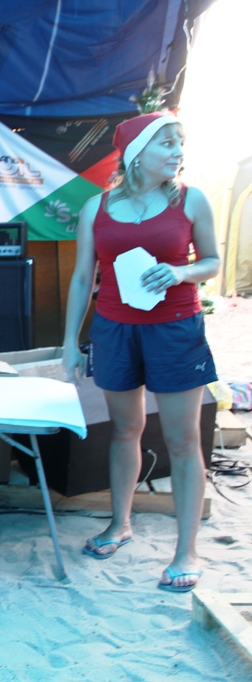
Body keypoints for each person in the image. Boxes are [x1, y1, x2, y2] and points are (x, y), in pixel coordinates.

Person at [61, 111, 220, 593]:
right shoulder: (97, 207)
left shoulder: (192, 200)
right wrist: (70, 342)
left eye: (179, 143)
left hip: (175, 330)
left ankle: (186, 551)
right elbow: (83, 278)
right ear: (136, 153)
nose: (178, 152)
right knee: (124, 430)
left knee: (182, 441)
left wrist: (181, 272)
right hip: (114, 331)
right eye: (166, 143)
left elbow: (212, 261)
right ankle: (120, 523)